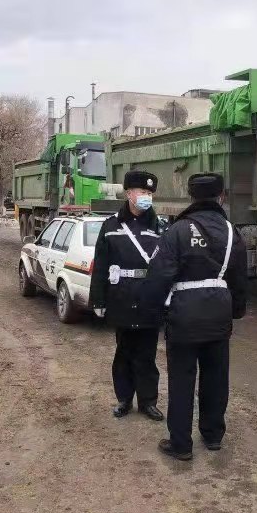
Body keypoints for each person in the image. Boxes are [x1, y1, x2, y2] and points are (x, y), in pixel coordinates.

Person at [142, 173, 248, 460]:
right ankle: (213, 436)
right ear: (220, 197)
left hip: (184, 316)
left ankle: (181, 444)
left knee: (182, 380)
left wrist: (153, 312)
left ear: (191, 196)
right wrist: (235, 311)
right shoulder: (231, 231)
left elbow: (159, 274)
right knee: (216, 377)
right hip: (218, 315)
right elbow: (239, 277)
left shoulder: (178, 231)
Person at [90, 170, 164, 422]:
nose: (146, 197)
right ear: (128, 194)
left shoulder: (160, 227)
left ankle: (148, 402)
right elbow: (100, 264)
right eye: (142, 192)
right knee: (123, 352)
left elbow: (166, 267)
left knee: (147, 354)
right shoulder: (111, 226)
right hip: (121, 297)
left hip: (148, 300)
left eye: (150, 193)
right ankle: (124, 399)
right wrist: (98, 300)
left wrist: (166, 300)